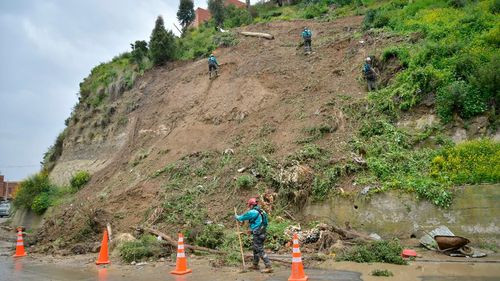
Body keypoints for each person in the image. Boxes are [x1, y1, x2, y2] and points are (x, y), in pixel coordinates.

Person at [235, 198, 272, 273]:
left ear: (251, 205)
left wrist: (236, 216)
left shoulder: (252, 212)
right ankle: (255, 265)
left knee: (259, 249)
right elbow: (264, 223)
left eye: (249, 205)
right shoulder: (262, 211)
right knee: (255, 249)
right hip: (262, 232)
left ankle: (269, 266)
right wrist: (253, 231)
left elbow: (241, 217)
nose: (249, 207)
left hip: (258, 234)